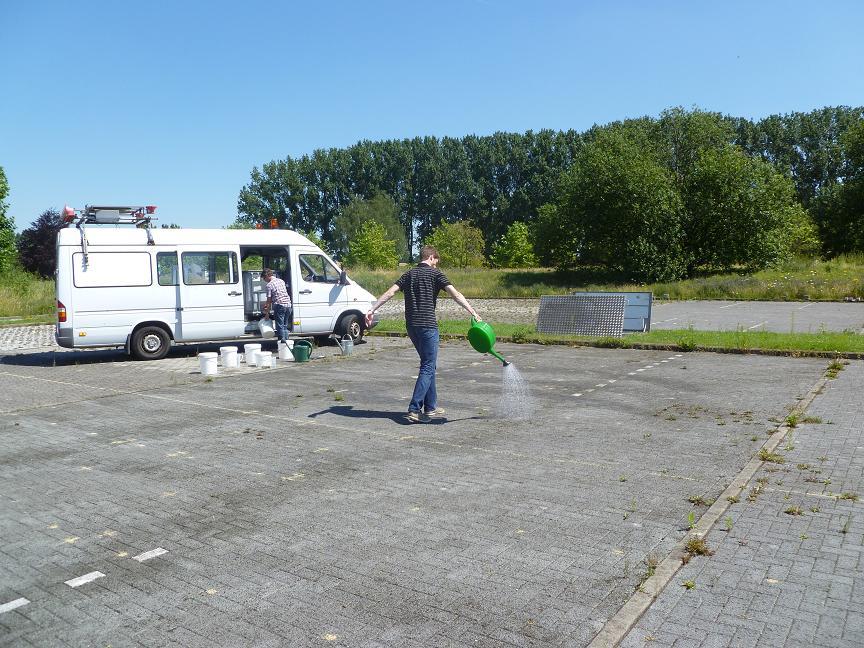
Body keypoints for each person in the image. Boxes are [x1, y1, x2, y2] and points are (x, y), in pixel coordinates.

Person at [365, 246, 482, 423]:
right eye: (436, 261)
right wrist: (473, 312)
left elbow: (391, 292)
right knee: (428, 366)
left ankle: (430, 407)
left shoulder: (409, 274)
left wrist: (372, 309)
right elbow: (455, 294)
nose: (436, 265)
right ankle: (414, 408)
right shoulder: (436, 275)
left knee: (429, 365)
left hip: (412, 327)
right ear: (432, 257)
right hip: (428, 326)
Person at [261, 268, 292, 344]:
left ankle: (282, 343)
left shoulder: (269, 285)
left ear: (267, 276)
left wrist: (267, 313)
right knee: (285, 325)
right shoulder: (281, 281)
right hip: (288, 305)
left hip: (280, 305)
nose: (264, 280)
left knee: (280, 326)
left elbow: (269, 300)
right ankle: (287, 344)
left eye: (264, 278)